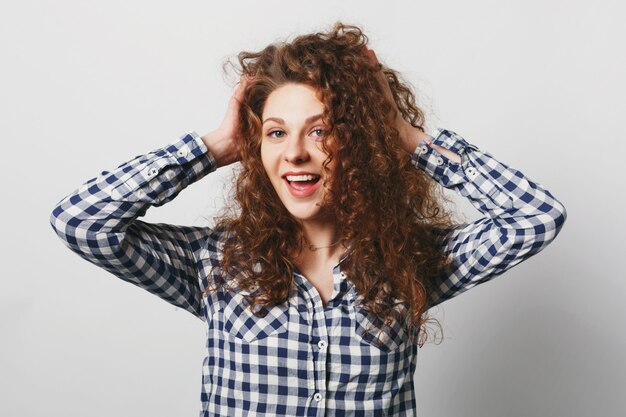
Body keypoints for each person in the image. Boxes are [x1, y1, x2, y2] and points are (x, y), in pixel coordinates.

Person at [50, 23, 567, 416]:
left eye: (320, 131)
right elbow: (82, 222)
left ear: (358, 143)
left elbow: (537, 217)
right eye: (276, 133)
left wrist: (406, 136)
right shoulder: (217, 264)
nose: (295, 152)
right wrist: (214, 147)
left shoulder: (409, 261)